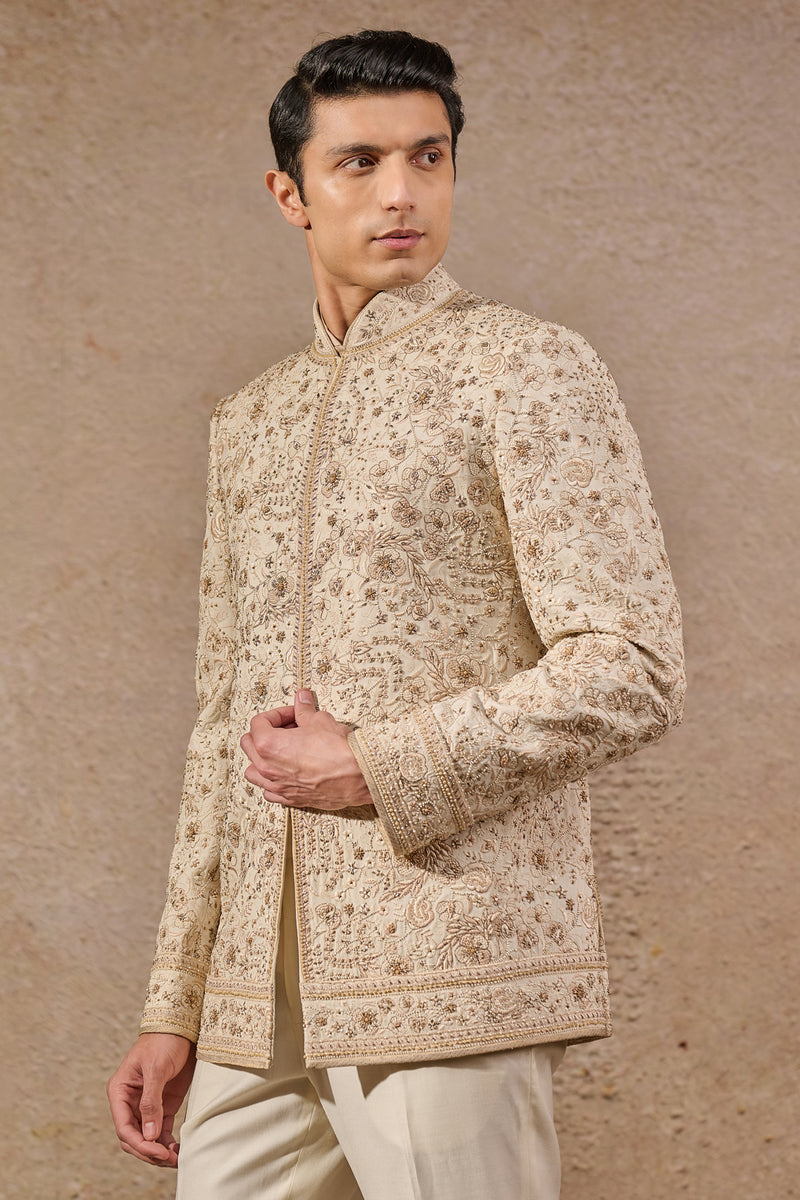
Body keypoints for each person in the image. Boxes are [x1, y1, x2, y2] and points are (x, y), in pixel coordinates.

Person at [107, 28, 685, 1200]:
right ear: (290, 194)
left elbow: (629, 666)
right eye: (359, 163)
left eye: (428, 157)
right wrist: (176, 1000)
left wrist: (376, 764)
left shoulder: (524, 367)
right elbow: (220, 729)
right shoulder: (251, 420)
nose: (400, 194)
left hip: (445, 960)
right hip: (256, 994)